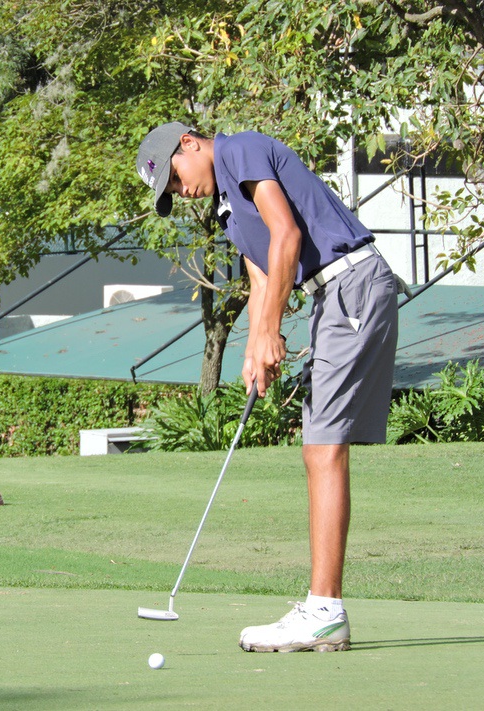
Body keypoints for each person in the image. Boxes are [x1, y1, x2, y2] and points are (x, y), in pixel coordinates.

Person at [136, 122, 399, 653]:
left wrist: (271, 330)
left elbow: (288, 236)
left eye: (175, 178)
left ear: (189, 143)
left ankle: (325, 612)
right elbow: (261, 278)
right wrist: (255, 348)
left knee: (323, 447)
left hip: (350, 284)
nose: (180, 191)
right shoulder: (230, 210)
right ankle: (323, 609)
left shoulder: (240, 149)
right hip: (334, 295)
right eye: (170, 191)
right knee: (320, 444)